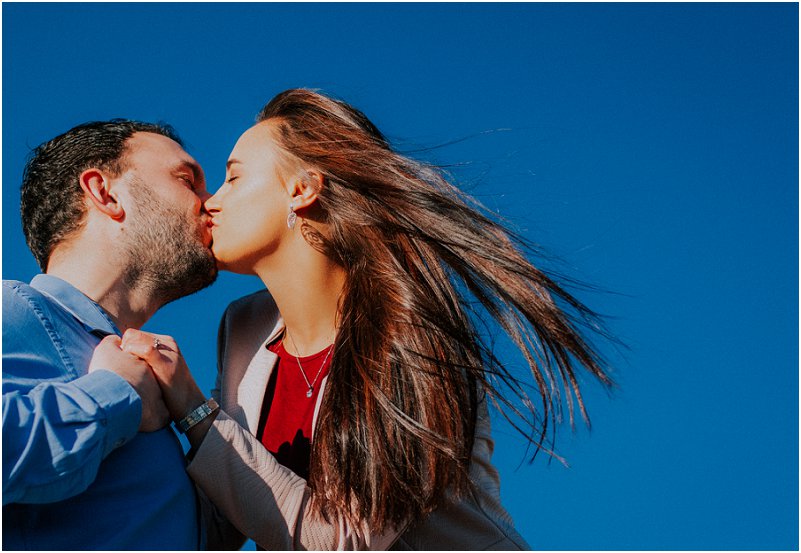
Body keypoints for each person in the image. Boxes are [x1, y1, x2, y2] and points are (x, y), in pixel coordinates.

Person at [121, 89, 614, 549]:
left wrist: (193, 409)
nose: (212, 202)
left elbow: (349, 540)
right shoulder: (244, 328)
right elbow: (228, 510)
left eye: (234, 177)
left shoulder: (416, 334)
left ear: (302, 190)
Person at [2, 120, 218, 549]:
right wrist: (115, 395)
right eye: (187, 179)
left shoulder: (160, 381)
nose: (211, 203)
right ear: (104, 192)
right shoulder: (12, 310)